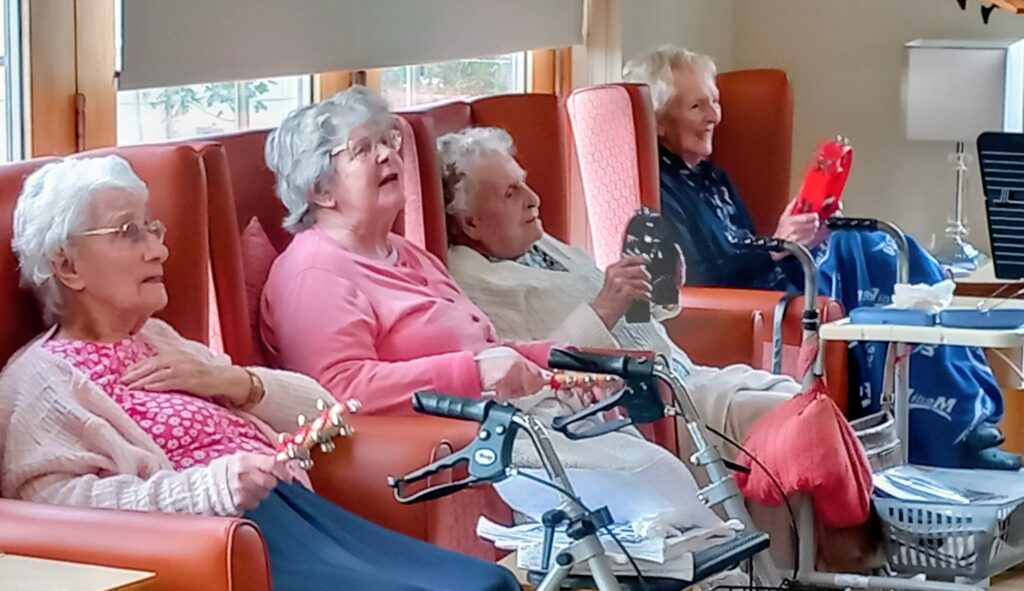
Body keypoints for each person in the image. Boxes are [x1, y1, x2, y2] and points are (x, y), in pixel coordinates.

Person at [0, 155, 521, 591]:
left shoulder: (157, 339)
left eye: (152, 228)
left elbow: (322, 409)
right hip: (221, 548)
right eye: (128, 231)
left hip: (299, 514)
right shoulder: (41, 381)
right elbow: (52, 506)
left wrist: (237, 384)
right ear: (67, 265)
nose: (158, 248)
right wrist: (210, 488)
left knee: (488, 583)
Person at [260, 87, 727, 534]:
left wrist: (570, 366)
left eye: (389, 141)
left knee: (665, 485)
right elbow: (335, 392)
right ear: (321, 189)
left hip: (516, 417)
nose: (387, 155)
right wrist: (475, 372)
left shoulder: (406, 253)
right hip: (462, 441)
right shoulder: (313, 272)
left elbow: (494, 349)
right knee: (651, 498)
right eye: (363, 149)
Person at [622, 44, 1017, 470]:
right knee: (868, 255)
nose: (715, 115)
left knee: (887, 248)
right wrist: (780, 245)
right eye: (698, 105)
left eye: (715, 101)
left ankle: (963, 414)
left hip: (772, 283)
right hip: (742, 310)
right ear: (658, 120)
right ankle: (947, 433)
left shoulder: (711, 176)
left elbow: (748, 248)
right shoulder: (658, 189)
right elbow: (695, 279)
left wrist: (804, 237)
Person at [438, 126, 801, 445]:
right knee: (790, 420)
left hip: (684, 375)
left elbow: (625, 319)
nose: (533, 198)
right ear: (471, 223)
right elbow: (535, 371)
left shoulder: (540, 243)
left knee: (801, 402)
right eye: (510, 193)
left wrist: (658, 288)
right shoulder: (473, 281)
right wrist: (605, 307)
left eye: (524, 183)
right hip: (638, 408)